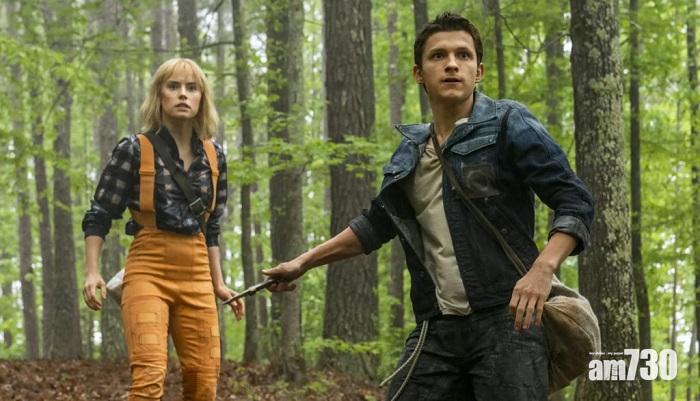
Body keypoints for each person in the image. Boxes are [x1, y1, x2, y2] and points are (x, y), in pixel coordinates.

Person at [262, 12, 593, 401]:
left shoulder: (508, 122)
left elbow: (574, 200)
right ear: (419, 73)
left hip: (508, 320)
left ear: (478, 71)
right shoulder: (410, 152)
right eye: (439, 56)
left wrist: (542, 270)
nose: (452, 64)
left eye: (463, 55)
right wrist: (302, 263)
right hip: (436, 327)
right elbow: (374, 225)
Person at [81, 58, 244, 401]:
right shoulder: (133, 149)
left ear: (202, 98)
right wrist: (92, 272)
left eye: (192, 88)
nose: (183, 94)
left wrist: (218, 283)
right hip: (148, 270)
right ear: (159, 95)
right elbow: (100, 213)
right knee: (149, 378)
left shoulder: (215, 156)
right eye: (173, 86)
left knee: (203, 383)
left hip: (197, 274)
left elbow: (212, 226)